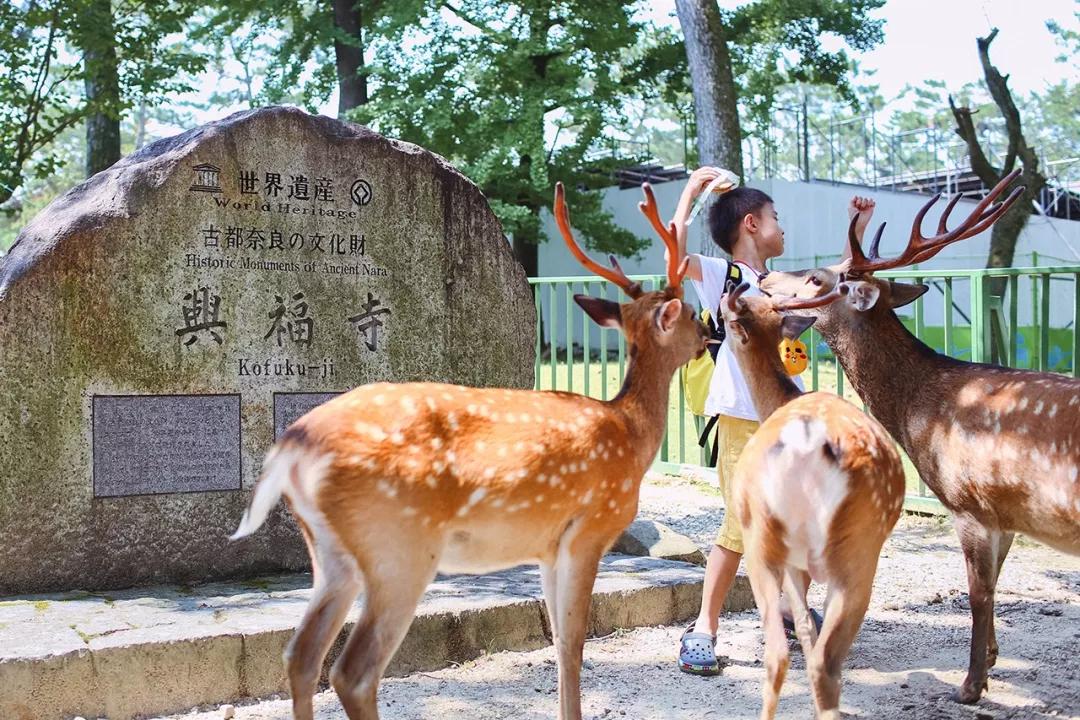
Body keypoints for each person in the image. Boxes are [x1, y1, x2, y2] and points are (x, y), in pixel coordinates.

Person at [670, 166, 875, 676]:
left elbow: (843, 271)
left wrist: (859, 228)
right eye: (775, 217)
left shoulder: (780, 283)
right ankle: (703, 629)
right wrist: (692, 193)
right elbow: (675, 257)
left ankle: (790, 613)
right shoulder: (725, 276)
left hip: (789, 417)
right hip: (742, 417)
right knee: (743, 525)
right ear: (751, 225)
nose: (782, 226)